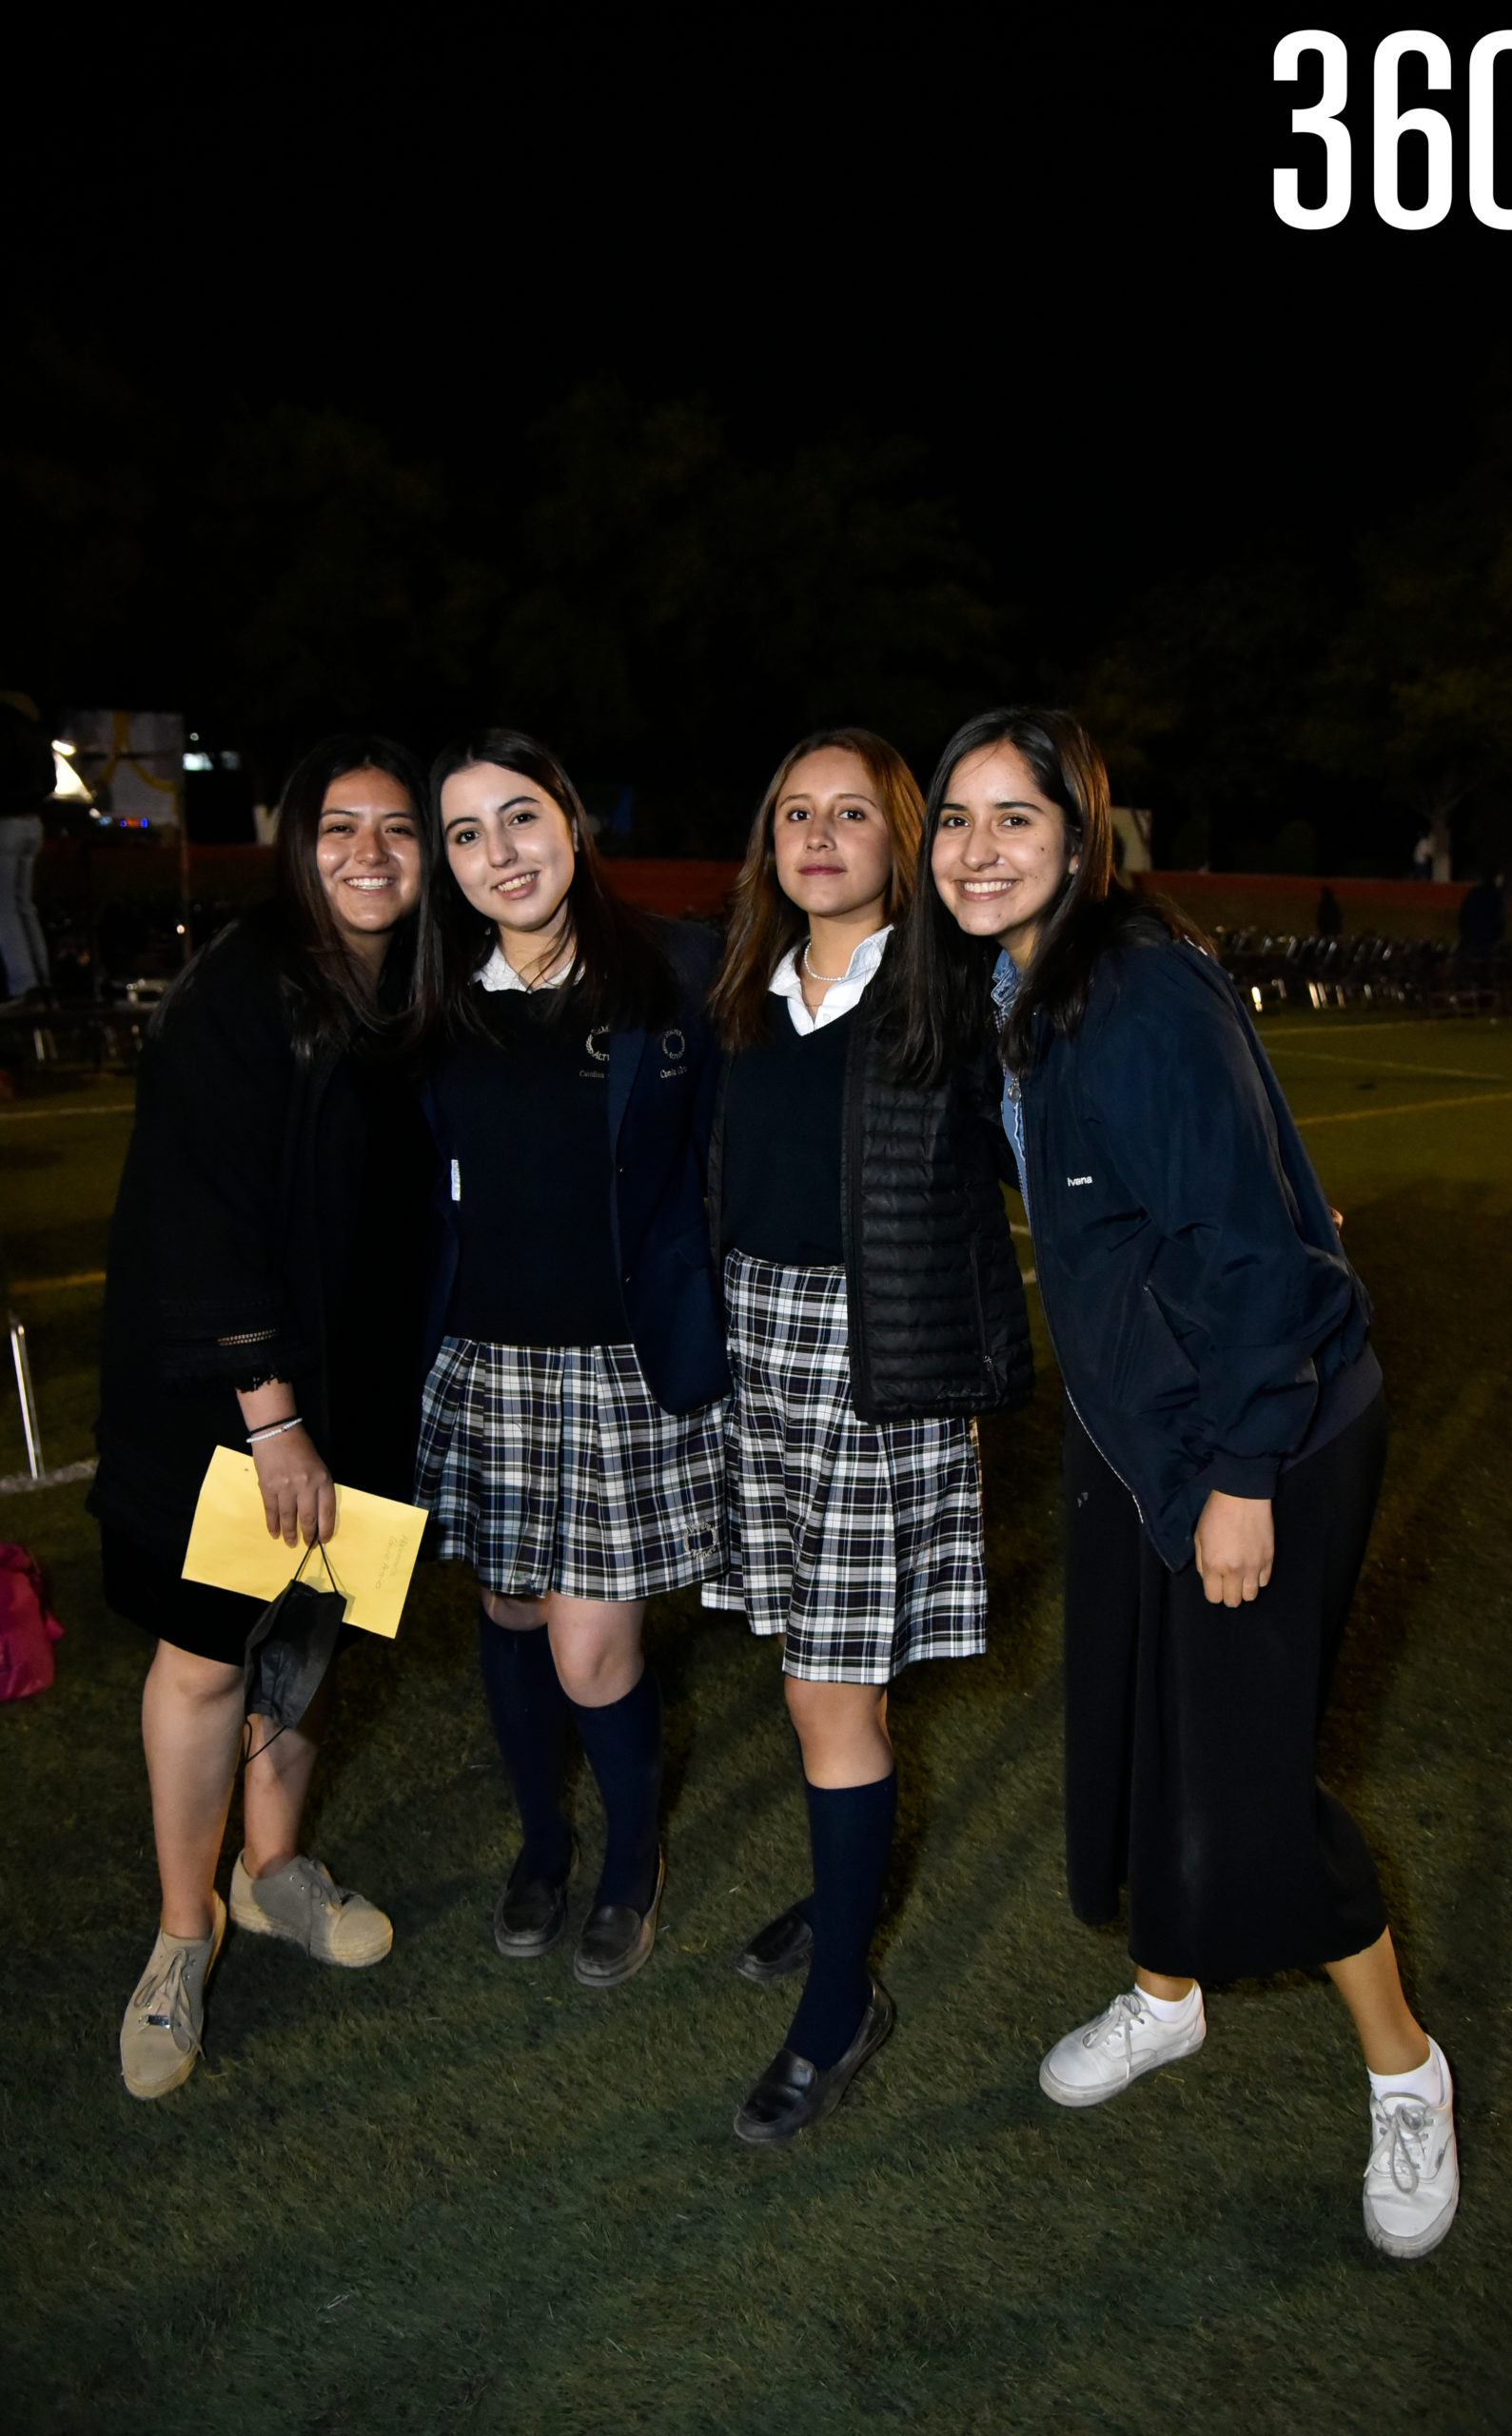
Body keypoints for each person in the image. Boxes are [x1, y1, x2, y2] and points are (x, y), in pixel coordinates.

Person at [909, 705, 1459, 2261]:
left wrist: (1235, 1474)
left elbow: (1253, 1262)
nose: (976, 849)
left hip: (1258, 1429)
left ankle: (1403, 2069)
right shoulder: (1011, 992)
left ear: (1078, 842)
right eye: (954, 819)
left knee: (1241, 1788)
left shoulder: (1133, 1000)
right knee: (1140, 1739)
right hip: (1138, 1422)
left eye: (1014, 820)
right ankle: (1165, 1998)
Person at [93, 737, 433, 2100]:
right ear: (296, 844)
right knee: (211, 1655)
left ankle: (275, 1865)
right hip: (238, 1401)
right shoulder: (240, 988)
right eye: (338, 826)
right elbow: (204, 1214)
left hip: (363, 1387)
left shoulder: (407, 992)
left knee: (311, 1631)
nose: (369, 852)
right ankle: (186, 1934)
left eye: (397, 829)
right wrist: (272, 1421)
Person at [706, 728, 1031, 2143]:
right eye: (796, 812)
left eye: (852, 813)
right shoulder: (744, 989)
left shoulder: (952, 994)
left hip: (878, 1364)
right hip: (753, 1351)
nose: (821, 833)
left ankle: (840, 2003)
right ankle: (843, 1900)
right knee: (821, 1674)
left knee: (821, 1696)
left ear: (903, 840)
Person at [413, 730, 729, 1992]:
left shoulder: (677, 972)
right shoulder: (429, 997)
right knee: (507, 1613)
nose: (502, 853)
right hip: (481, 1365)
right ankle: (542, 1846)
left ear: (575, 823)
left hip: (622, 1370)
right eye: (468, 834)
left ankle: (627, 1860)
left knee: (593, 1652)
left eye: (522, 817)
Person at [0, 690, 55, 999]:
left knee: (5, 907)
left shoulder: (5, 733)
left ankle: (24, 983)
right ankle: (41, 978)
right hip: (32, 821)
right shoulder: (37, 735)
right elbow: (51, 783)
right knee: (23, 905)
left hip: (5, 821)